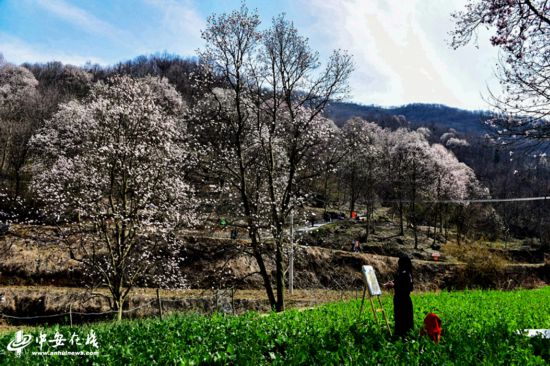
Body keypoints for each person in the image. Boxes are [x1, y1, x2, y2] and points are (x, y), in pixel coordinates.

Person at [385, 255, 414, 338]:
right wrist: (393, 282)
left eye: (400, 262)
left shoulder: (405, 273)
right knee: (405, 319)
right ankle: (405, 336)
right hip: (404, 300)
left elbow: (406, 287)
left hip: (402, 300)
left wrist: (393, 285)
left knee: (402, 318)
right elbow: (400, 281)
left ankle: (401, 336)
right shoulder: (407, 272)